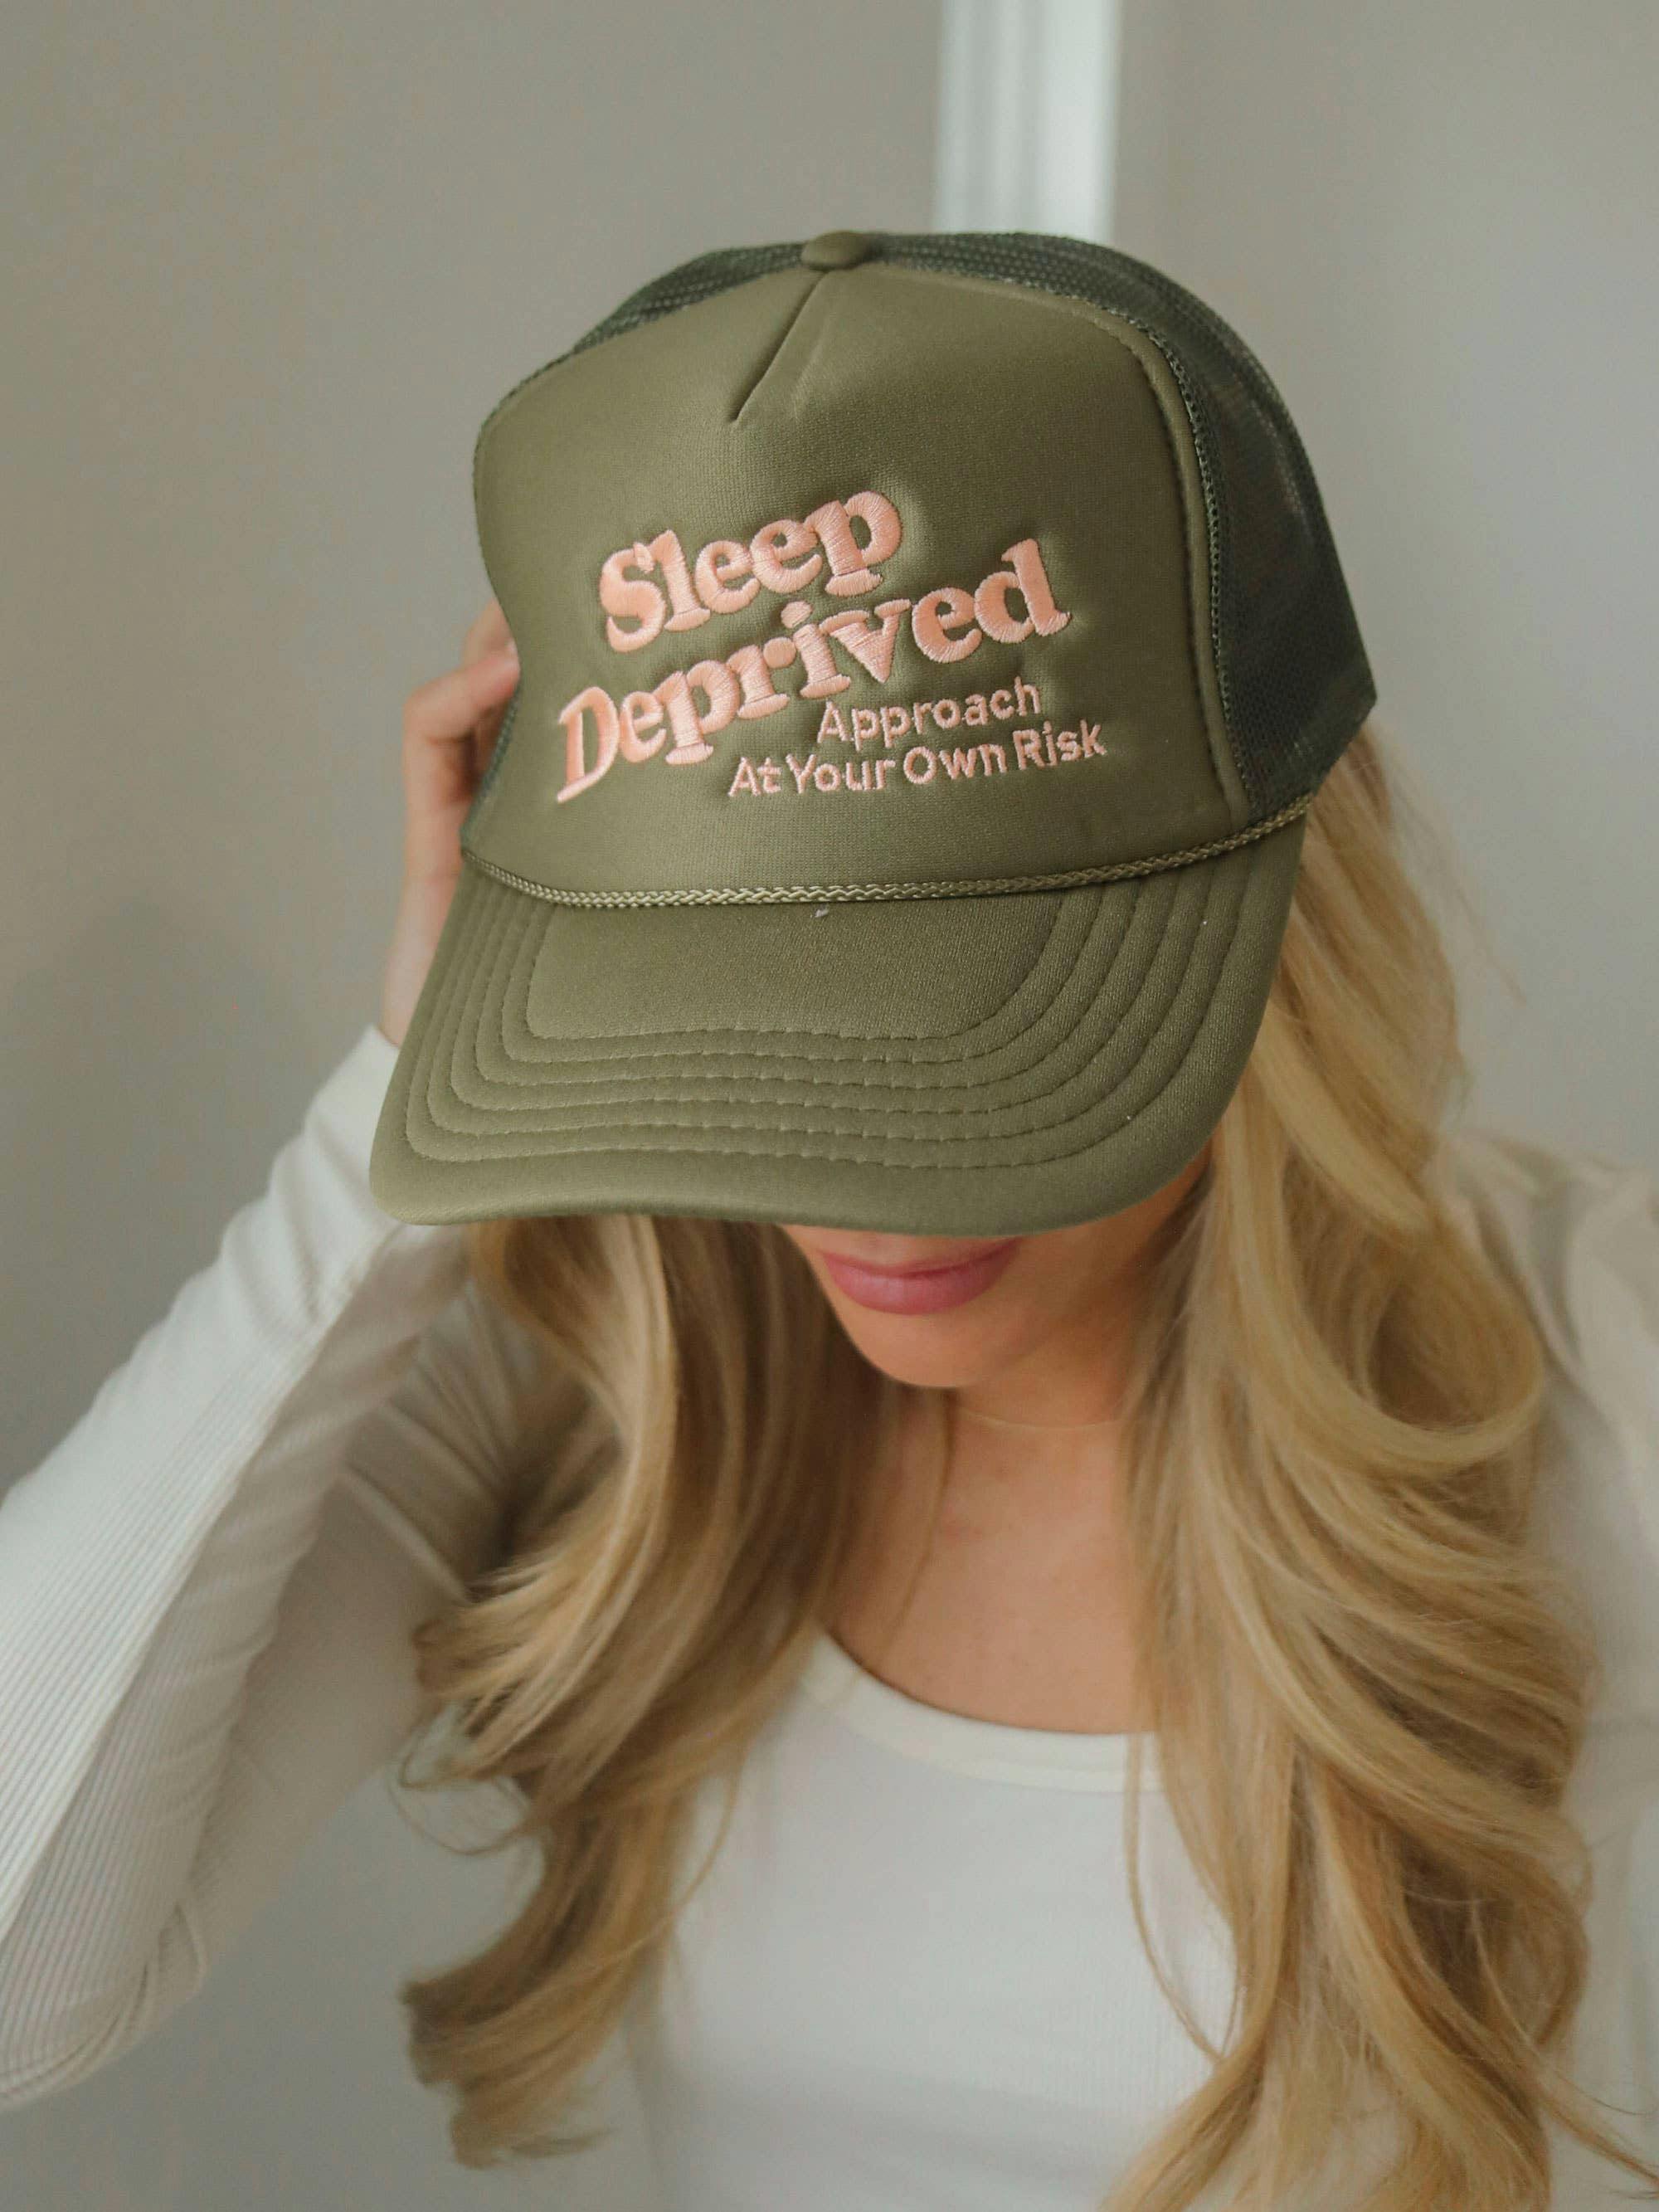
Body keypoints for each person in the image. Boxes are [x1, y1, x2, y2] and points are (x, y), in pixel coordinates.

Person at [4, 230, 1659, 2212]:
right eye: (750, 1021)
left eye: (977, 1024)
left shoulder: (1592, 1351)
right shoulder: (609, 1375)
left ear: (1273, 916)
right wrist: (413, 1096)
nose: (858, 1174)